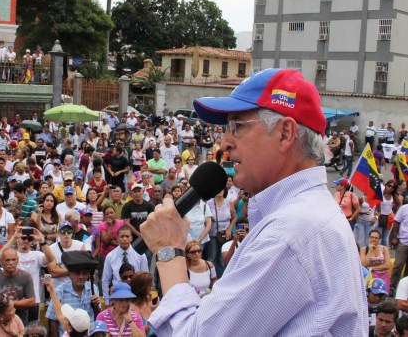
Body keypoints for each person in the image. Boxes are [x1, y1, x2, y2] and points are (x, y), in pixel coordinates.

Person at [140, 69, 367, 335]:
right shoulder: (311, 213)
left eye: (237, 126)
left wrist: (169, 250)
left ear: (285, 133)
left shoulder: (288, 234)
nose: (224, 142)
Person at [102, 226, 148, 305]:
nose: (125, 239)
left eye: (127, 236)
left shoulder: (140, 255)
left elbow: (145, 278)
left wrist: (144, 299)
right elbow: (105, 280)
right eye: (122, 236)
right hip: (117, 294)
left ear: (131, 238)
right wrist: (107, 302)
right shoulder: (110, 256)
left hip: (135, 294)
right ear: (117, 239)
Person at [0, 248, 36, 325]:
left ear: (18, 260)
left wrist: (7, 303)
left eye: (13, 259)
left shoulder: (26, 276)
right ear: (1, 261)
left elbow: (31, 302)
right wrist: (21, 302)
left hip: (21, 321)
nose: (11, 263)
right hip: (1, 322)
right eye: (7, 260)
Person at [361, 229, 391, 295]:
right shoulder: (364, 250)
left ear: (379, 239)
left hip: (383, 276)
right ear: (369, 238)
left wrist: (372, 268)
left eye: (376, 238)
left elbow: (387, 265)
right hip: (370, 277)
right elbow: (363, 265)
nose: (374, 239)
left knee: (382, 295)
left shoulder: (384, 249)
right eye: (372, 237)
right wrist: (370, 251)